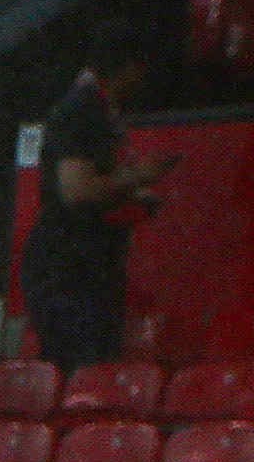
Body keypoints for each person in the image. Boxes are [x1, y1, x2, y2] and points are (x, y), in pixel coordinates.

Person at [22, 42, 175, 369]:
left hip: (85, 266)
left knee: (92, 364)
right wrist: (136, 177)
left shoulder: (94, 109)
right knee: (83, 369)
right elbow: (76, 190)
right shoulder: (81, 110)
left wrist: (130, 197)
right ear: (128, 68)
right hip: (69, 269)